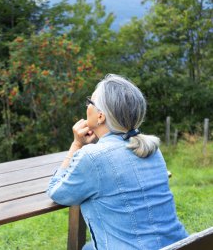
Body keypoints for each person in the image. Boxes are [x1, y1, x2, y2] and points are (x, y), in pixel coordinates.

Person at [47, 74, 188, 250]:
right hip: (180, 245)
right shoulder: (151, 148)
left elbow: (57, 192)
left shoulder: (93, 157)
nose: (87, 106)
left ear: (100, 116)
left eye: (90, 102)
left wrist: (76, 144)